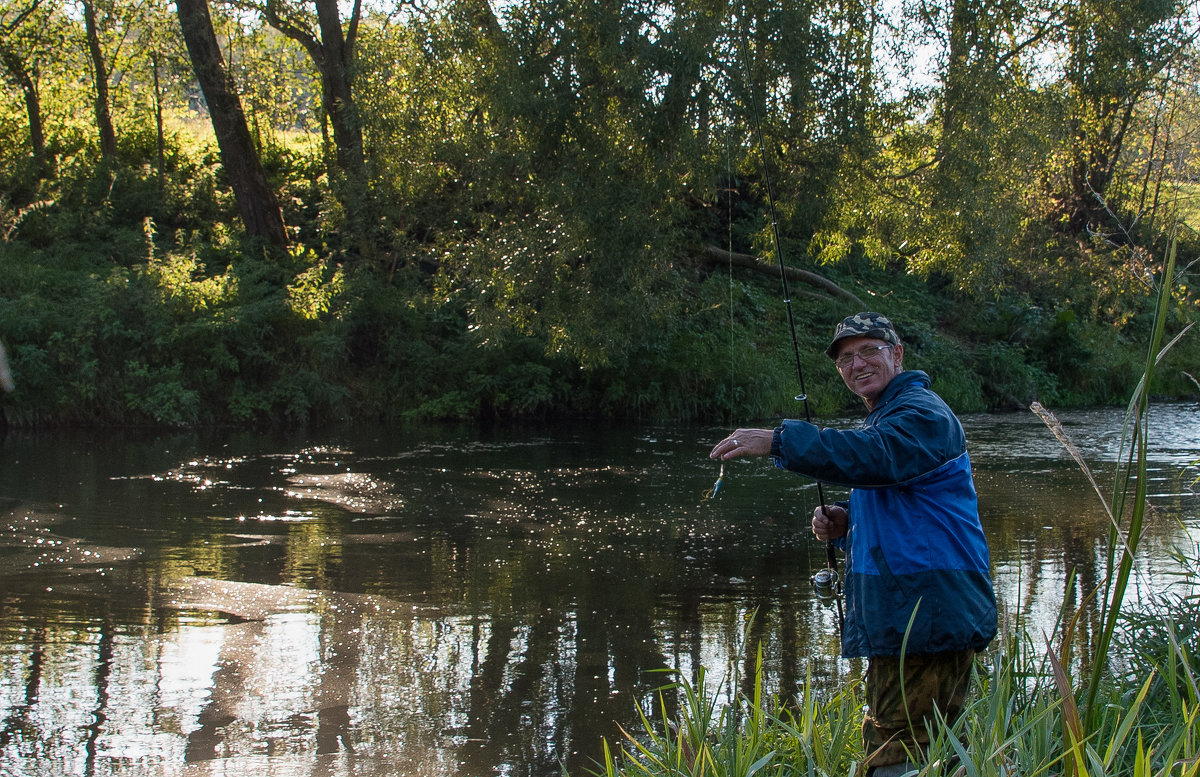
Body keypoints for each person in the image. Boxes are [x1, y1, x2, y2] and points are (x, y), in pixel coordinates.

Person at [709, 312, 997, 777]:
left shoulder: (921, 413)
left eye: (869, 351)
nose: (857, 364)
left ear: (897, 354)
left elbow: (877, 457)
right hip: (913, 607)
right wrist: (849, 523)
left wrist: (779, 441)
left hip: (926, 610)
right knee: (927, 747)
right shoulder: (890, 418)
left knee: (900, 751)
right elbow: (906, 502)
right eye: (846, 358)